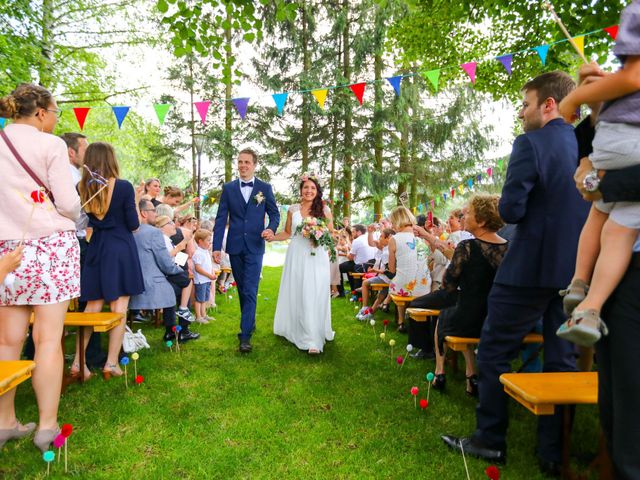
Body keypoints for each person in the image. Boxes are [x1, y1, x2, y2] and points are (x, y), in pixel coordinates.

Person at [441, 71, 589, 476]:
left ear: (548, 104)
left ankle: (490, 439)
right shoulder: (584, 145)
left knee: (492, 351)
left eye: (525, 103)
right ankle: (551, 451)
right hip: (572, 271)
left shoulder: (530, 143)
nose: (521, 112)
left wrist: (506, 206)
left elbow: (513, 210)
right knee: (562, 360)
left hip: (527, 268)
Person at [0, 83, 81, 452]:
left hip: (7, 250)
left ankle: (5, 422)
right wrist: (75, 210)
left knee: (7, 340)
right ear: (42, 113)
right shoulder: (50, 145)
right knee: (48, 338)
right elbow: (67, 203)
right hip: (49, 247)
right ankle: (46, 426)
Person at [570, 60, 640, 479]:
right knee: (618, 390)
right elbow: (590, 151)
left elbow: (596, 178)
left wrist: (601, 185)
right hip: (622, 267)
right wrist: (594, 102)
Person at [555, 4, 640, 347]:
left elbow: (632, 78)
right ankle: (588, 303)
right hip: (624, 277)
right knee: (616, 229)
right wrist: (596, 105)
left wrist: (574, 98)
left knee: (603, 218)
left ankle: (581, 288)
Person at [73, 142, 144, 381]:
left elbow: (83, 222)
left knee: (91, 307)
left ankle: (77, 363)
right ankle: (111, 363)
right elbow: (134, 225)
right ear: (110, 160)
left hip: (97, 248)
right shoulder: (123, 187)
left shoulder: (81, 187)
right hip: (121, 248)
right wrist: (134, 199)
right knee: (119, 307)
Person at [427, 195, 508, 397]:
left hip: (470, 318)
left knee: (444, 317)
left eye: (468, 213)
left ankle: (439, 372)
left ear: (481, 221)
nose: (464, 216)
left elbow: (448, 284)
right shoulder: (510, 247)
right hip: (497, 318)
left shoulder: (467, 247)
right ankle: (471, 375)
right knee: (456, 314)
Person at [213, 148, 280, 353]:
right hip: (234, 246)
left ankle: (245, 336)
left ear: (254, 165)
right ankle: (249, 323)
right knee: (242, 289)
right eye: (240, 162)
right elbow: (221, 218)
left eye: (247, 162)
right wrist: (216, 247)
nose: (243, 165)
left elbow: (275, 214)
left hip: (255, 246)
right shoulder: (229, 188)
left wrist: (270, 228)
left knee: (250, 289)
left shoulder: (264, 188)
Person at [271, 174, 335, 354]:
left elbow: (330, 233)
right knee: (299, 291)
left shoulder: (324, 209)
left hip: (317, 255)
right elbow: (287, 233)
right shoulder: (292, 209)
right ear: (300, 190)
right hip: (297, 254)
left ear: (317, 191)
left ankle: (314, 337)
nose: (309, 191)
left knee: (315, 291)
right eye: (306, 188)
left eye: (313, 188)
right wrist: (272, 237)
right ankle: (300, 331)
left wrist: (317, 231)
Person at [129, 199, 195, 343]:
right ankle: (183, 328)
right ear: (144, 213)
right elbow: (165, 263)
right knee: (185, 281)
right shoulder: (153, 233)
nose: (155, 213)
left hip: (139, 278)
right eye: (153, 210)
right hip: (154, 281)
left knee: (177, 285)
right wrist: (178, 269)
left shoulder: (133, 231)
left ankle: (172, 331)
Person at [387, 206, 431, 332]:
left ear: (396, 221)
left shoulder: (394, 239)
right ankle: (406, 317)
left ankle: (400, 321)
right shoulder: (422, 238)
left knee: (397, 281)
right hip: (424, 287)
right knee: (407, 278)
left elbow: (391, 270)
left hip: (403, 287)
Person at [355, 228, 394, 320]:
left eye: (381, 236)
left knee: (365, 283)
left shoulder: (388, 252)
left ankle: (364, 307)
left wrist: (375, 271)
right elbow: (372, 243)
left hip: (387, 279)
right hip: (387, 278)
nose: (379, 238)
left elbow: (389, 272)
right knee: (380, 296)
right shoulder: (386, 248)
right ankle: (370, 313)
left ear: (388, 238)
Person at [339, 224, 376, 294]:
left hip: (361, 266)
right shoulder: (369, 238)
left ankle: (341, 292)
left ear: (359, 232)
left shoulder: (357, 240)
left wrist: (347, 250)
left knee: (340, 267)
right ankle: (353, 289)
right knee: (347, 266)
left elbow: (350, 258)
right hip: (371, 264)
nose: (352, 234)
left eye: (353, 232)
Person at [192, 228, 216, 324]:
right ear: (200, 241)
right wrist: (209, 275)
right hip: (201, 280)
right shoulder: (198, 253)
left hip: (206, 279)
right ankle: (198, 316)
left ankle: (204, 315)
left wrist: (212, 272)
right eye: (208, 241)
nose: (210, 243)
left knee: (205, 299)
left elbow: (208, 265)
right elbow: (198, 268)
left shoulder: (205, 251)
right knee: (199, 299)